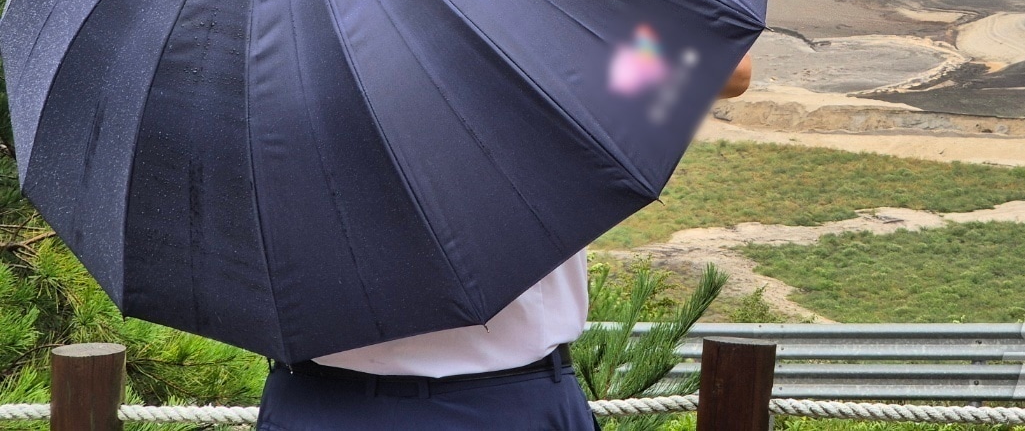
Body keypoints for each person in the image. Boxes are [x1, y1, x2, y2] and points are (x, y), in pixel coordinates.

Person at [255, 53, 754, 431]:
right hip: (502, 400)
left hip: (329, 400)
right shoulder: (540, 23)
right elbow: (729, 67)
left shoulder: (282, 34)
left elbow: (733, 71)